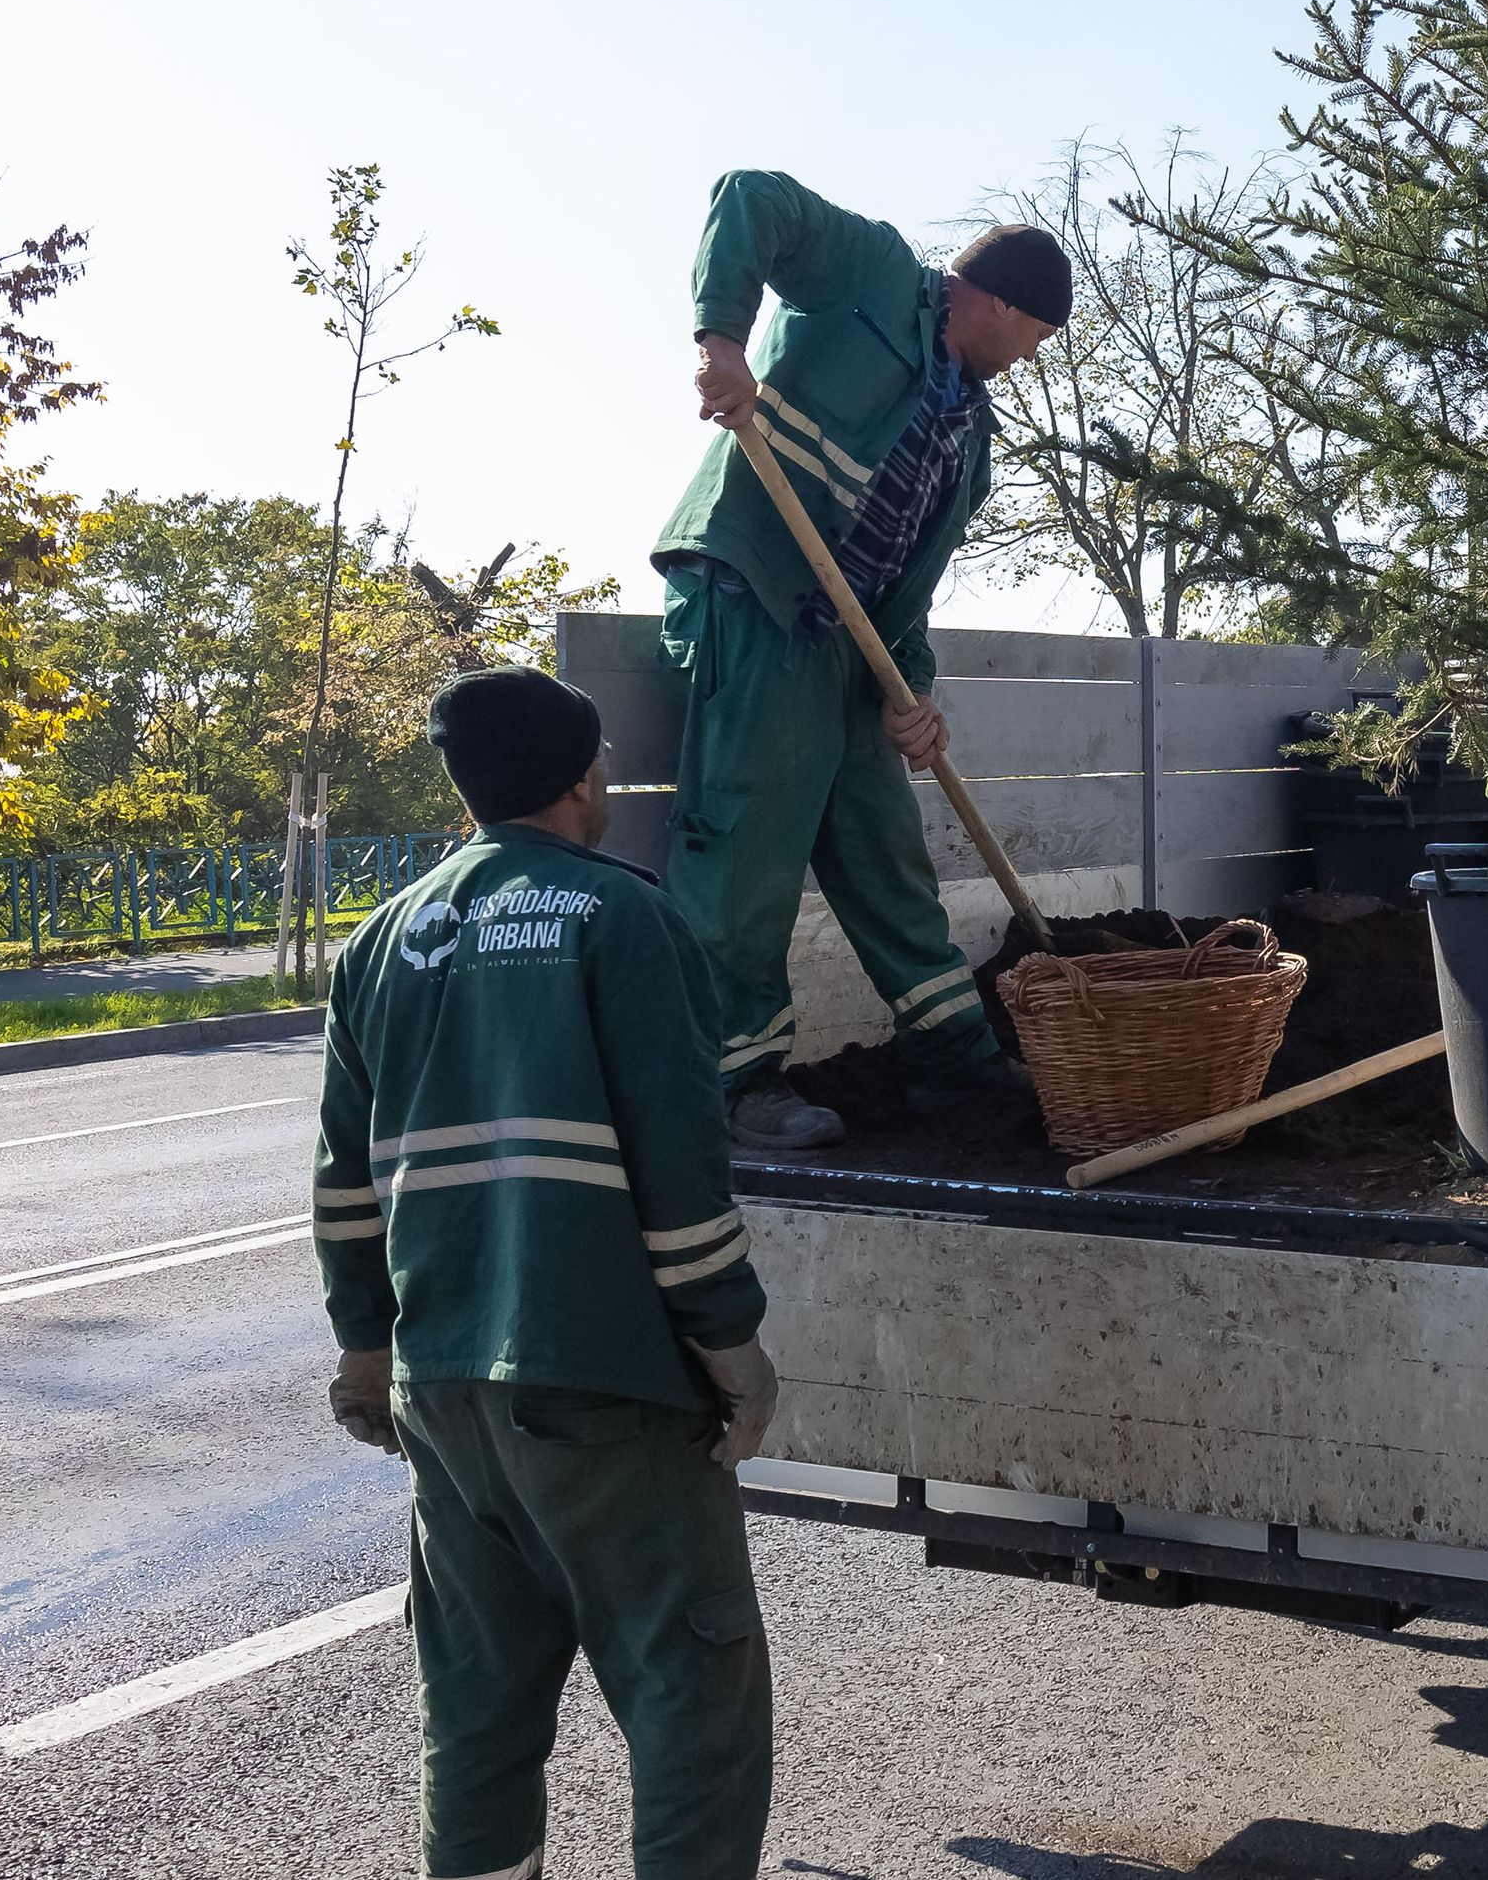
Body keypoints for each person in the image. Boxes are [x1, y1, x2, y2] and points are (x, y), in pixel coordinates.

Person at [315, 664, 779, 1880]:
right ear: (582, 778)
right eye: (605, 762)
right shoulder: (625, 917)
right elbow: (680, 1169)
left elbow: (343, 1182)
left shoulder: (383, 939)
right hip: (603, 1380)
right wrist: (732, 1344)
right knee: (692, 1694)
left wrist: (368, 1351)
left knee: (475, 1706)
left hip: (445, 1395)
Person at [651, 169, 1070, 1151]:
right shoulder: (873, 277)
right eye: (1037, 337)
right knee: (749, 848)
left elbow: (906, 598)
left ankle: (953, 1064)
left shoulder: (970, 441)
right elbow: (751, 197)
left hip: (848, 640)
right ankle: (733, 1085)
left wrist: (912, 699)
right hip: (754, 592)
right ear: (1000, 305)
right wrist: (722, 343)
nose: (1030, 357)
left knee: (884, 850)